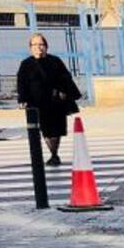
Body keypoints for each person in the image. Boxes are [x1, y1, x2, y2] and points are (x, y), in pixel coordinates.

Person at [16, 34, 81, 166]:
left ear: (46, 46)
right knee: (45, 129)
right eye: (35, 45)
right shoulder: (26, 64)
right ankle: (53, 153)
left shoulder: (55, 61)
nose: (39, 48)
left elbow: (66, 77)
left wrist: (64, 92)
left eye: (41, 45)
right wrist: (22, 99)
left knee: (56, 129)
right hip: (37, 102)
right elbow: (21, 83)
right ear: (30, 48)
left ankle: (54, 153)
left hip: (55, 101)